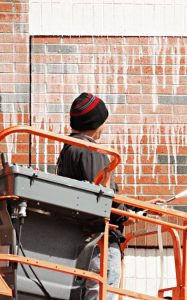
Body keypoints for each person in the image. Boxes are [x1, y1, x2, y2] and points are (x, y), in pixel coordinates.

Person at [56, 92, 164, 300]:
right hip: (100, 243)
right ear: (95, 123)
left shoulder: (68, 150)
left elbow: (93, 193)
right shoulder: (90, 151)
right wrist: (125, 216)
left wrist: (137, 207)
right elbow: (103, 196)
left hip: (83, 240)